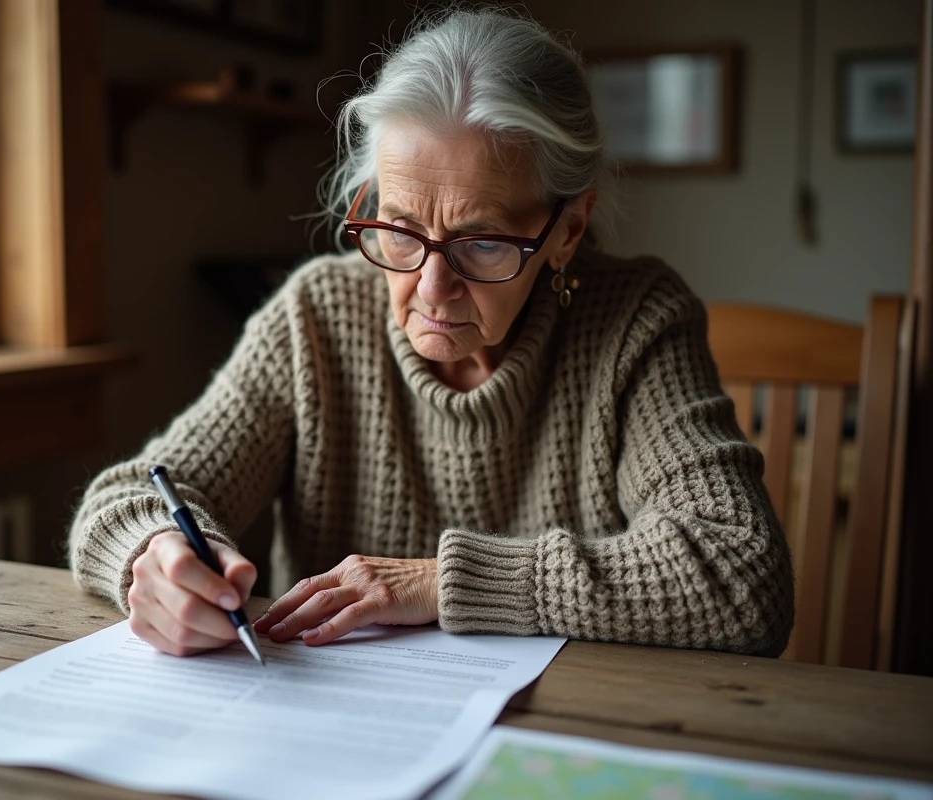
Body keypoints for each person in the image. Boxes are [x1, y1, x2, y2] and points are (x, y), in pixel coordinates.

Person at [69, 7, 794, 659]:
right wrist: (158, 556)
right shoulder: (316, 317)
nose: (431, 288)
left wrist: (441, 584)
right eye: (401, 230)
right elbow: (128, 498)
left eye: (482, 243)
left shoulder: (636, 322)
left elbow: (739, 569)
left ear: (566, 230)